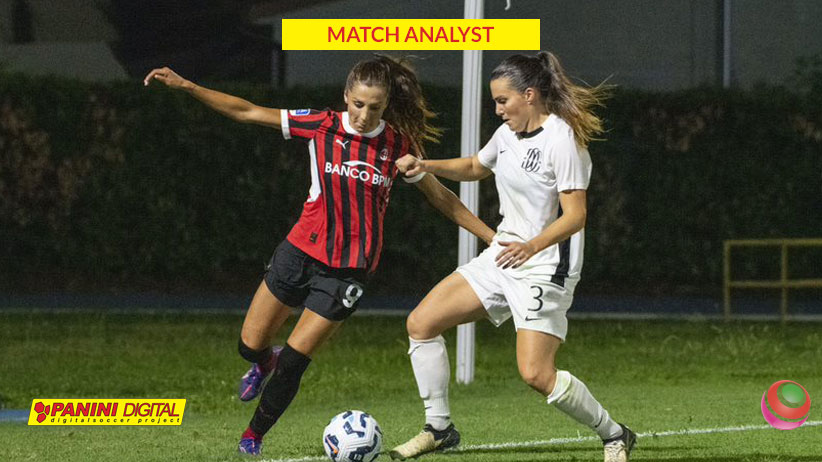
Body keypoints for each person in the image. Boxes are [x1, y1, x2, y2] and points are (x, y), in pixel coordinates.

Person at [143, 56, 495, 456]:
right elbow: (247, 111)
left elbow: (441, 198)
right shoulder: (322, 124)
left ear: (385, 105)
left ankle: (252, 436)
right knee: (249, 344)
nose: (364, 115)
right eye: (358, 104)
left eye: (375, 107)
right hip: (299, 252)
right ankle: (262, 362)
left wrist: (491, 237)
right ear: (346, 96)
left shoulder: (398, 146)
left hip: (347, 273)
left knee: (294, 361)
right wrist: (188, 86)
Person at [389, 51, 636, 462]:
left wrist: (531, 246)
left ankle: (614, 433)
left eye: (503, 101)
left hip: (545, 265)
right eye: (495, 102)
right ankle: (439, 428)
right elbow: (474, 166)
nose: (498, 110)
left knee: (536, 374)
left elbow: (575, 216)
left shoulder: (563, 140)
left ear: (530, 95)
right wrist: (425, 164)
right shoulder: (506, 135)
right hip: (505, 254)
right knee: (421, 323)